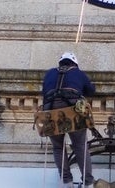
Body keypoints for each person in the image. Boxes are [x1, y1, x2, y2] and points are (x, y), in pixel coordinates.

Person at [42, 52, 95, 188]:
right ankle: (88, 182)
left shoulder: (49, 73)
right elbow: (90, 90)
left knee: (58, 147)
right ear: (74, 63)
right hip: (73, 110)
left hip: (51, 111)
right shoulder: (78, 72)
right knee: (80, 146)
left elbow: (44, 91)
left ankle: (66, 182)